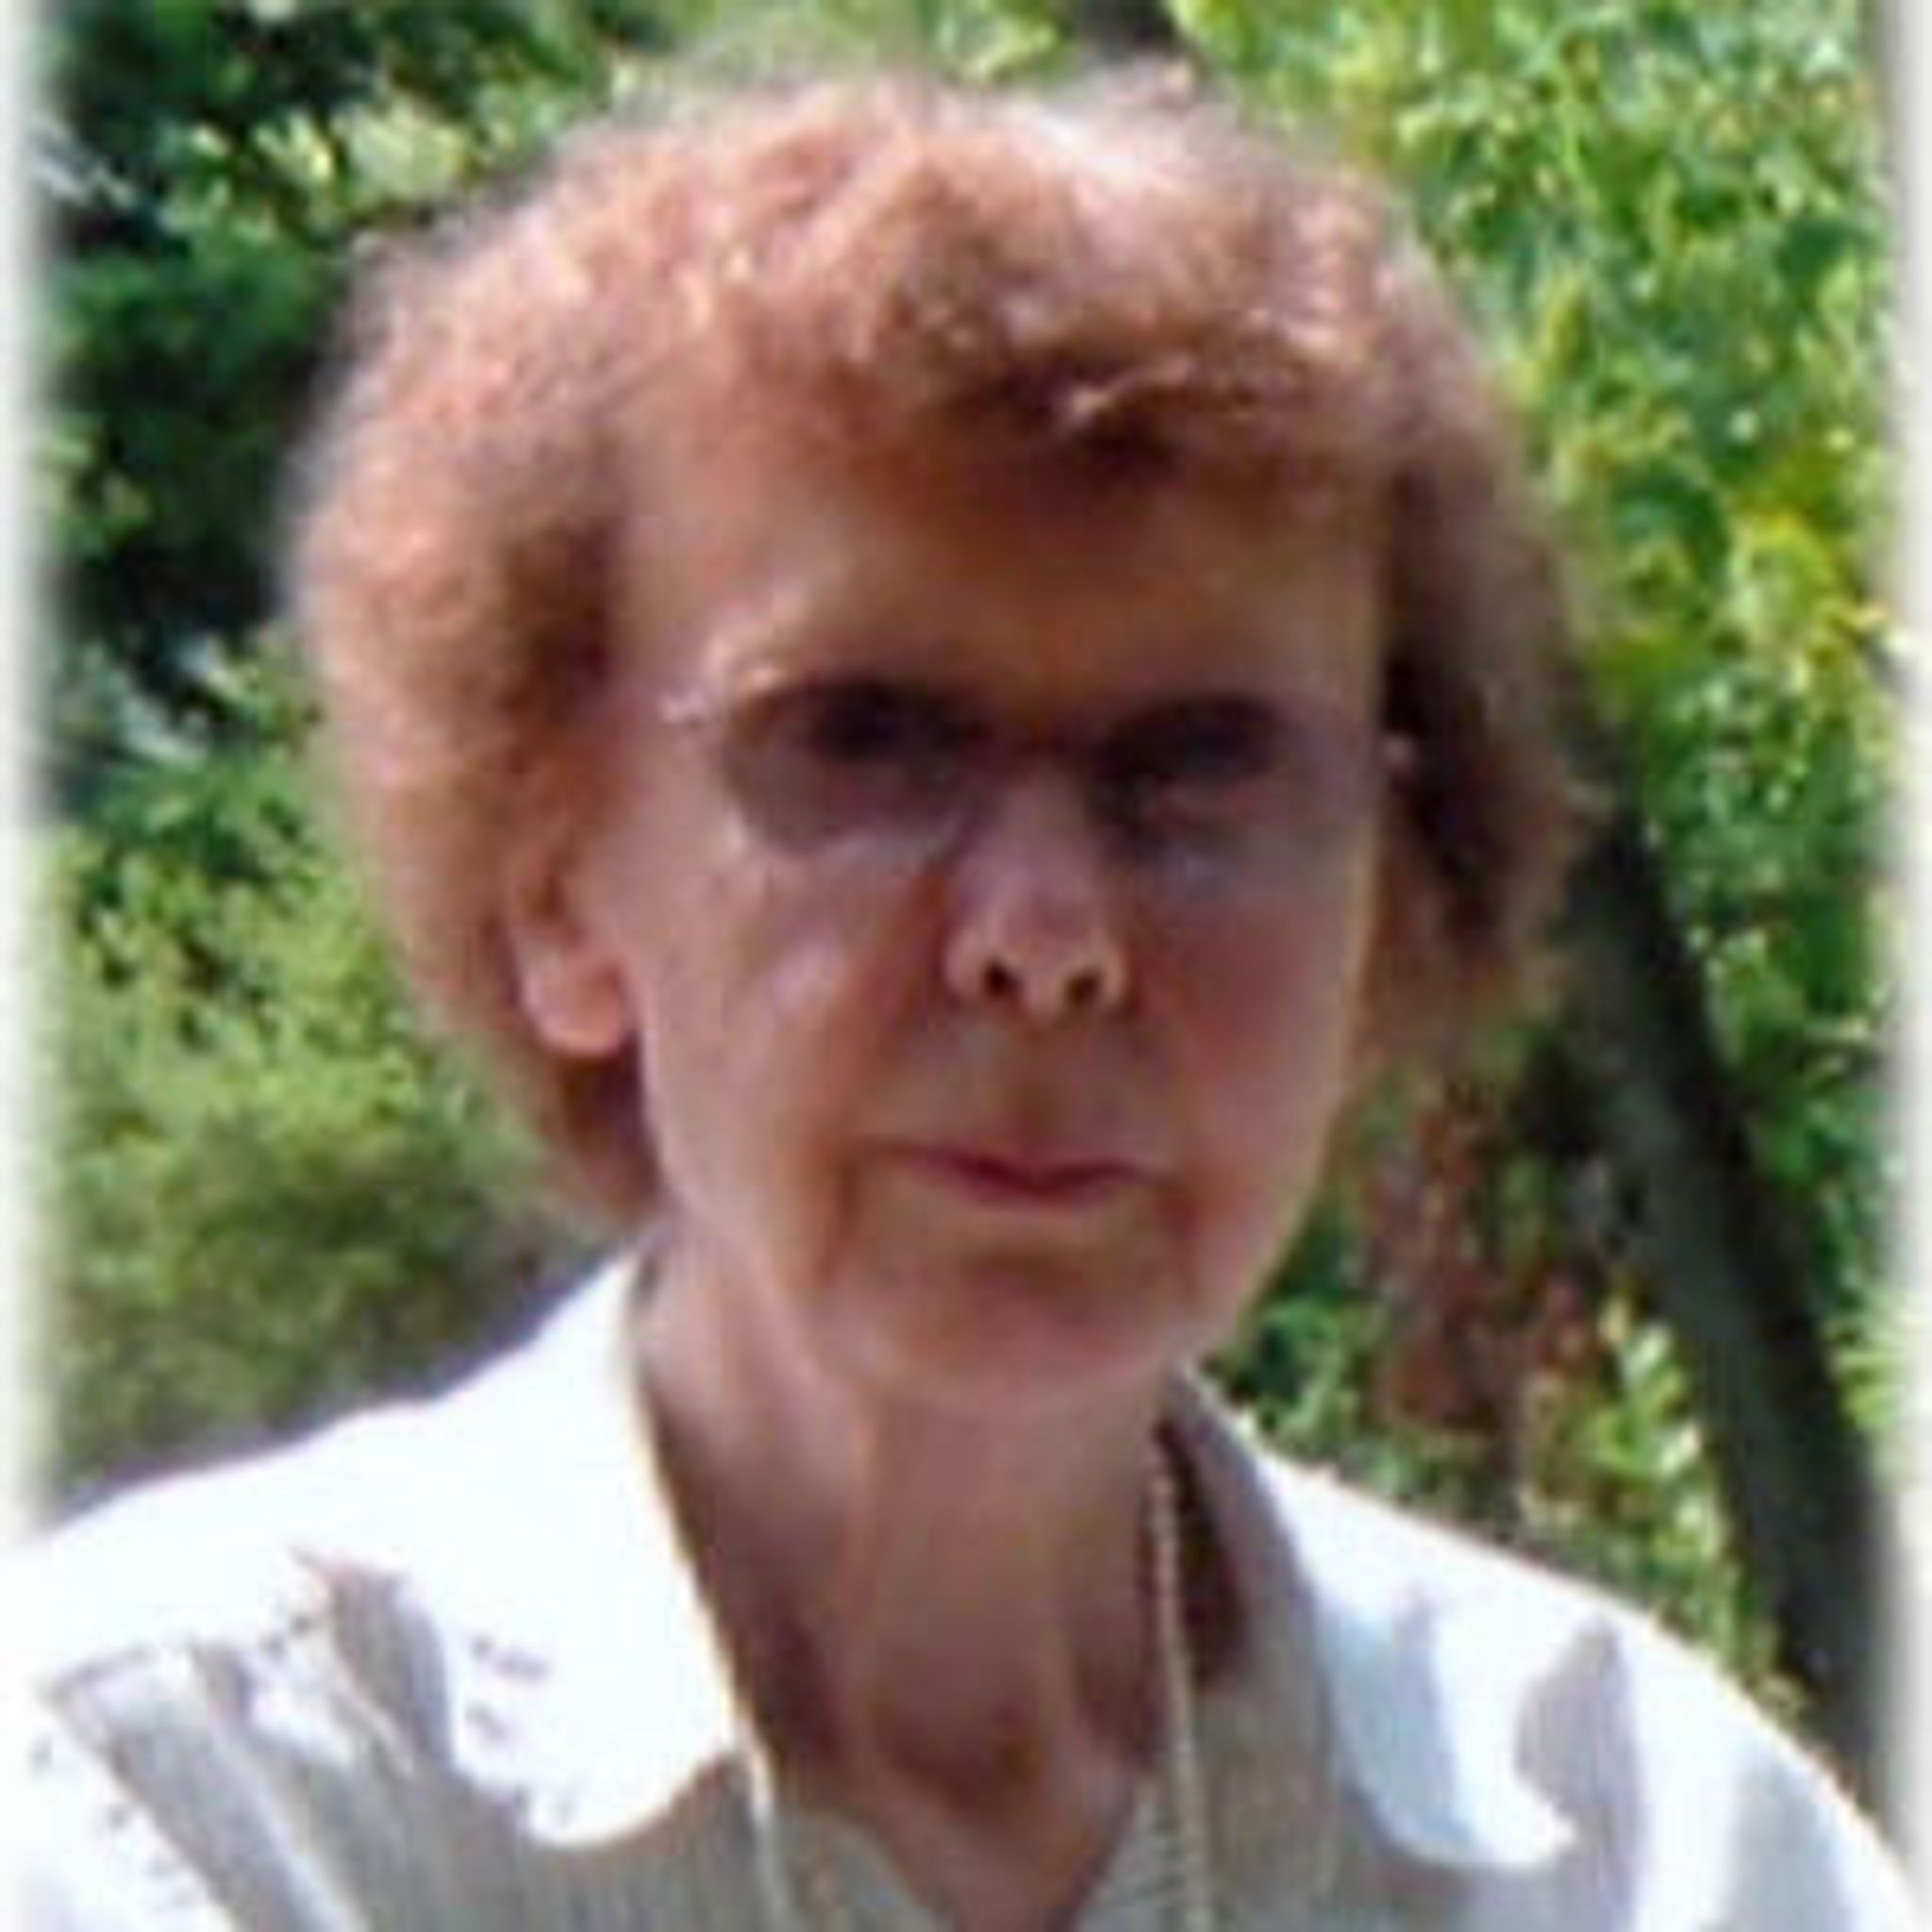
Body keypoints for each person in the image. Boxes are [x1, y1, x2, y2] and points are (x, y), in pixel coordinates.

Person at [22, 62, 1915, 1931]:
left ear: (1390, 902)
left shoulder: (1650, 1852)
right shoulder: (181, 1800)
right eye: (862, 743)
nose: (1048, 930)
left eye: (1204, 766)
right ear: (557, 888)